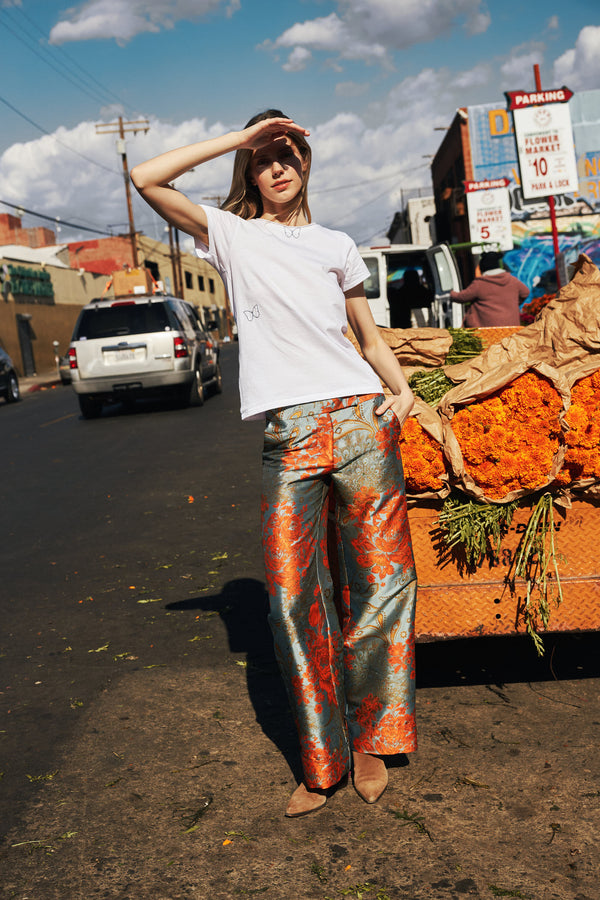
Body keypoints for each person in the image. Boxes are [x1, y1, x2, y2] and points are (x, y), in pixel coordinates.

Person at [131, 110, 417, 818]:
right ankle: (323, 757)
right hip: (290, 432)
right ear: (250, 171)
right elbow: (145, 177)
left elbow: (367, 337)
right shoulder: (232, 235)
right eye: (266, 158)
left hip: (359, 418)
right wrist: (241, 135)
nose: (279, 166)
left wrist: (402, 390)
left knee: (381, 585)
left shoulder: (335, 244)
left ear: (307, 165)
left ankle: (375, 739)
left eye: (289, 154)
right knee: (290, 598)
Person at [450, 250, 529, 327]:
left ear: (483, 267)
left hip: (489, 330)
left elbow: (462, 297)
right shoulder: (512, 280)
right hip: (511, 326)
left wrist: (451, 293)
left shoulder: (480, 284)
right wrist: (513, 303)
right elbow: (525, 292)